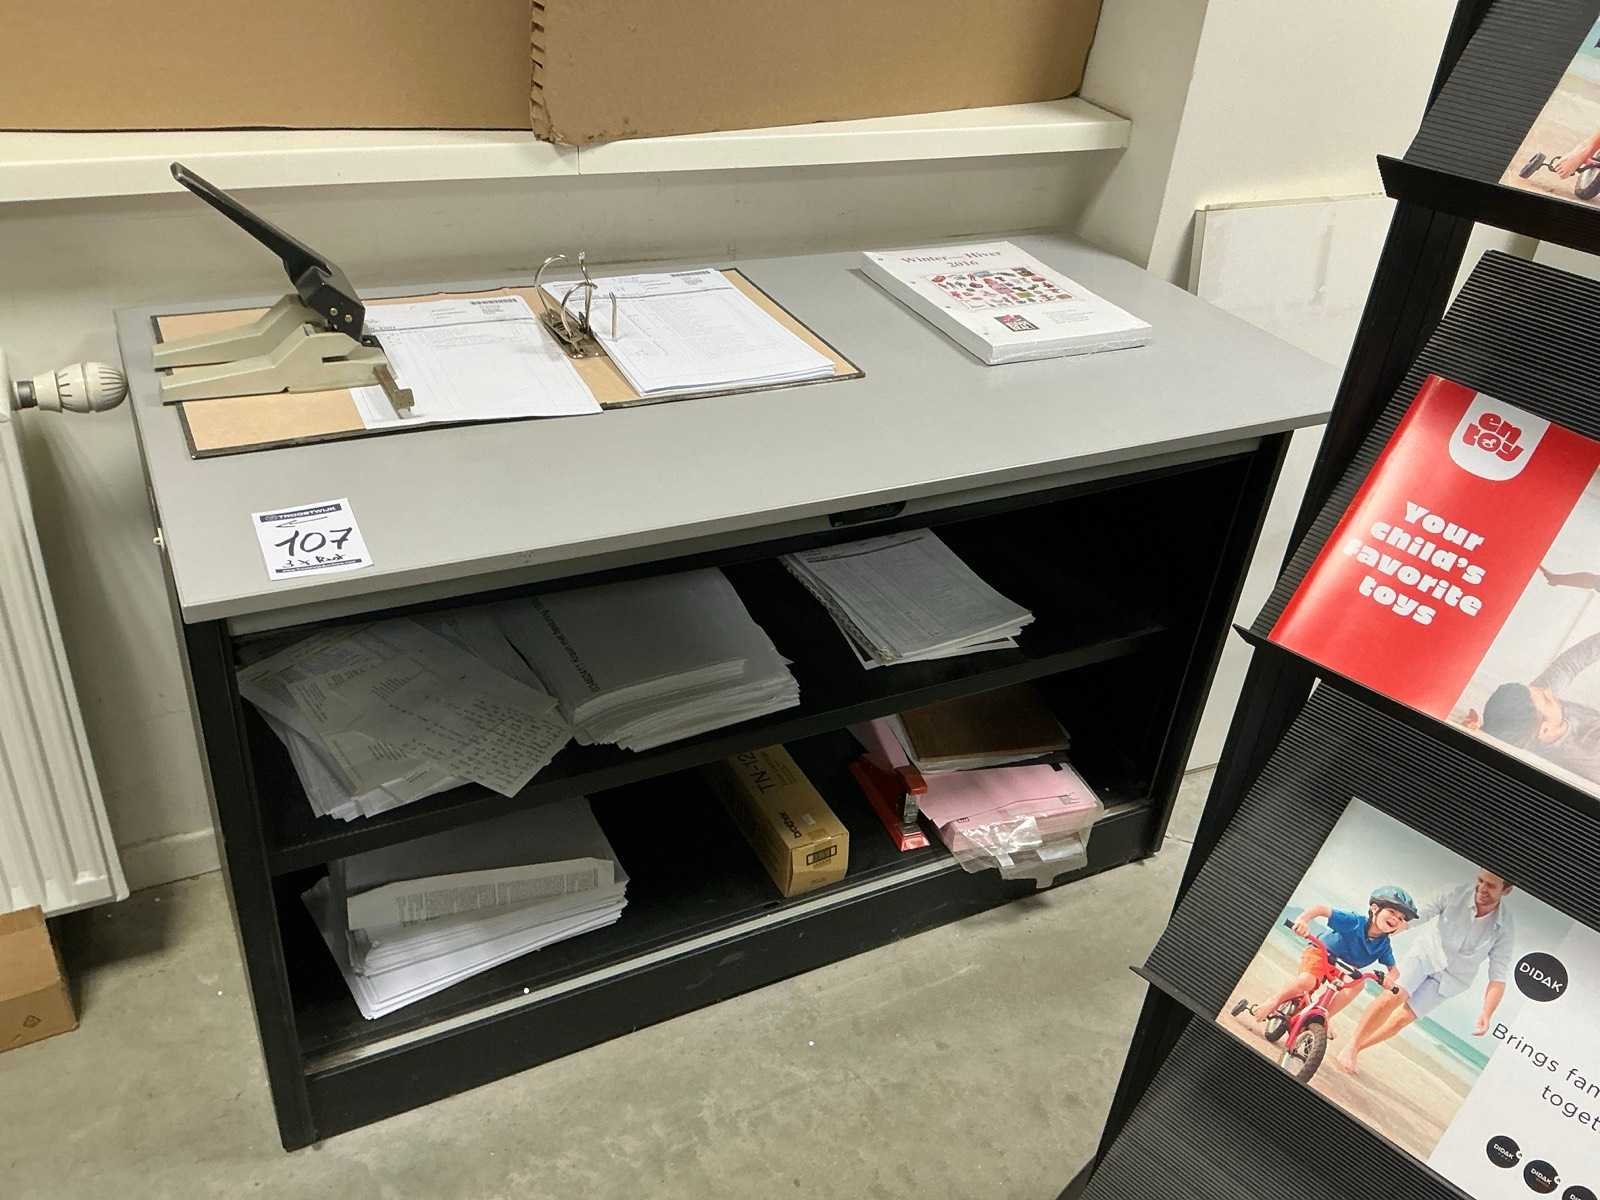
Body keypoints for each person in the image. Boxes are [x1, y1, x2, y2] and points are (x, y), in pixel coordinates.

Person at [1335, 870, 1515, 1077]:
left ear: (1506, 890)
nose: (1482, 888)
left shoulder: (1505, 927)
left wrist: (1486, 1013)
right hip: (1426, 955)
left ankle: (1356, 1049)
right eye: (1480, 881)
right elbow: (1416, 916)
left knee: (1401, 1020)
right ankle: (1352, 1045)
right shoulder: (1454, 893)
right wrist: (1381, 931)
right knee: (1394, 996)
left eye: (1490, 886)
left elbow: (1498, 976)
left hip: (1453, 978)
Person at [1470, 570, 1600, 785]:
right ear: (1545, 730)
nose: (1549, 691)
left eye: (1540, 690)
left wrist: (1558, 579)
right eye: (1547, 700)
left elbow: (1569, 665)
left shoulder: (1535, 711)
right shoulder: (1590, 756)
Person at [1239, 886, 1416, 1038]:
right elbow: (1320, 909)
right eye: (1392, 912)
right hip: (1322, 953)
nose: (1396, 919)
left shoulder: (1384, 945)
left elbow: (1394, 970)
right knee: (1307, 982)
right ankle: (1273, 1001)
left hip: (1344, 968)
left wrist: (1389, 980)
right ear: (1375, 908)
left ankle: (1323, 1017)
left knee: (1358, 984)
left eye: (1401, 918)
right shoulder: (1354, 922)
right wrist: (1302, 921)